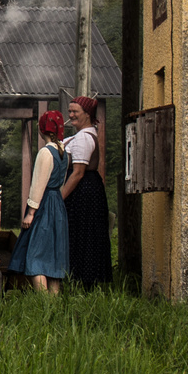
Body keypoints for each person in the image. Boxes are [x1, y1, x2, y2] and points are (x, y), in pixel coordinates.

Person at [8, 110, 69, 294]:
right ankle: (53, 304)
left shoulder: (45, 152)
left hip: (44, 206)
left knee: (36, 256)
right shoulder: (64, 153)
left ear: (43, 130)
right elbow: (61, 183)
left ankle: (42, 304)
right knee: (53, 257)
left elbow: (38, 185)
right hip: (58, 205)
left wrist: (31, 213)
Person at [61, 96, 113, 288]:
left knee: (83, 235)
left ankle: (83, 281)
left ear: (87, 114)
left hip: (84, 193)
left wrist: (59, 199)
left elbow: (78, 173)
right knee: (83, 234)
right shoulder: (82, 134)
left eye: (75, 111)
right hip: (87, 190)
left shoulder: (84, 137)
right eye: (70, 111)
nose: (71, 114)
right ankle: (80, 280)